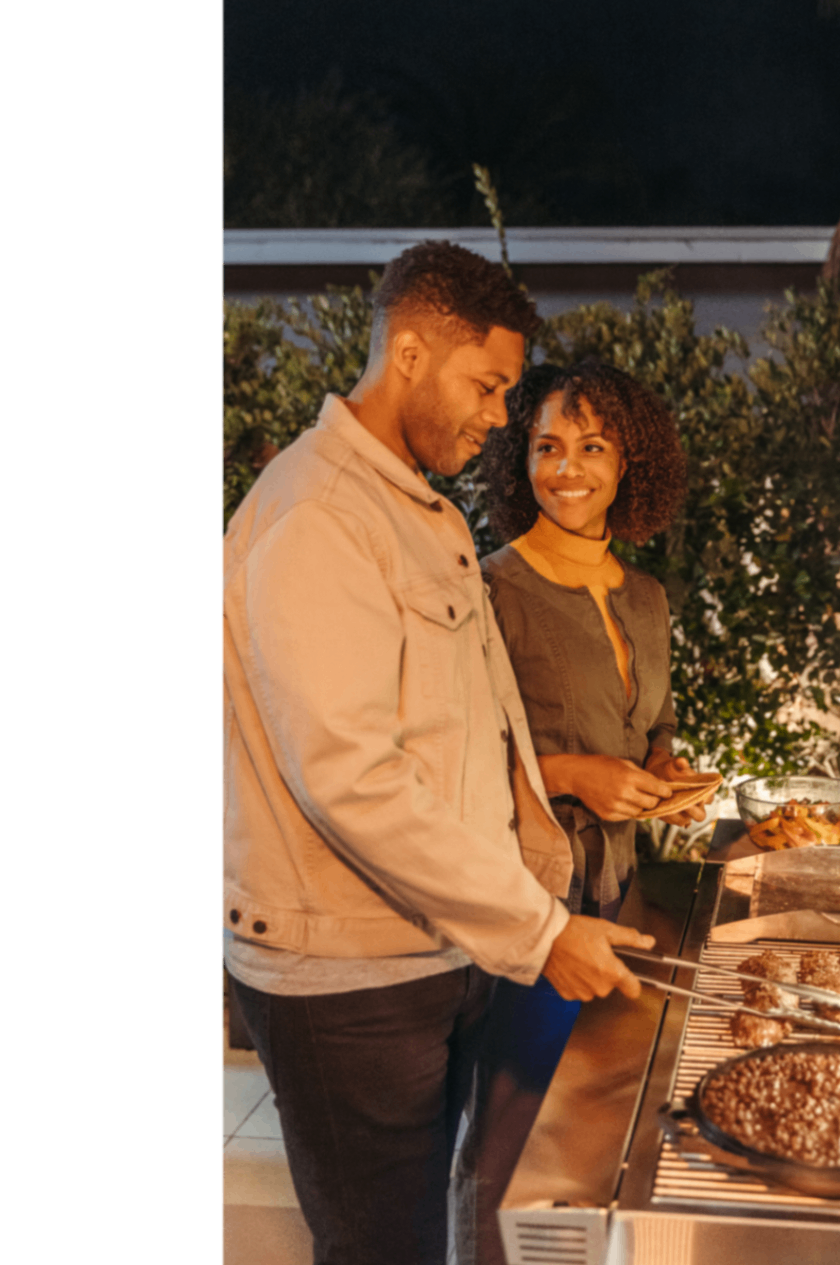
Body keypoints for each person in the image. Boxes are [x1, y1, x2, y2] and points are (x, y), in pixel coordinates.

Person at [220, 243, 655, 1265]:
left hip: (427, 947)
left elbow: (464, 734)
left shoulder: (409, 505)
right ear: (409, 350)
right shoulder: (321, 515)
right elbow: (352, 779)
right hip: (345, 979)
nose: (500, 416)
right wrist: (540, 926)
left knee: (426, 1226)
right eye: (489, 384)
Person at [460, 357, 708, 1265]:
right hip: (532, 901)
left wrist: (664, 768)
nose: (566, 468)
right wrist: (571, 774)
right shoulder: (488, 589)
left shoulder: (643, 596)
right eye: (546, 446)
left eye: (592, 446)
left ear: (629, 462)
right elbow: (456, 756)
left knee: (588, 1135)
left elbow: (655, 724)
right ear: (517, 459)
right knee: (509, 1141)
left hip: (621, 894)